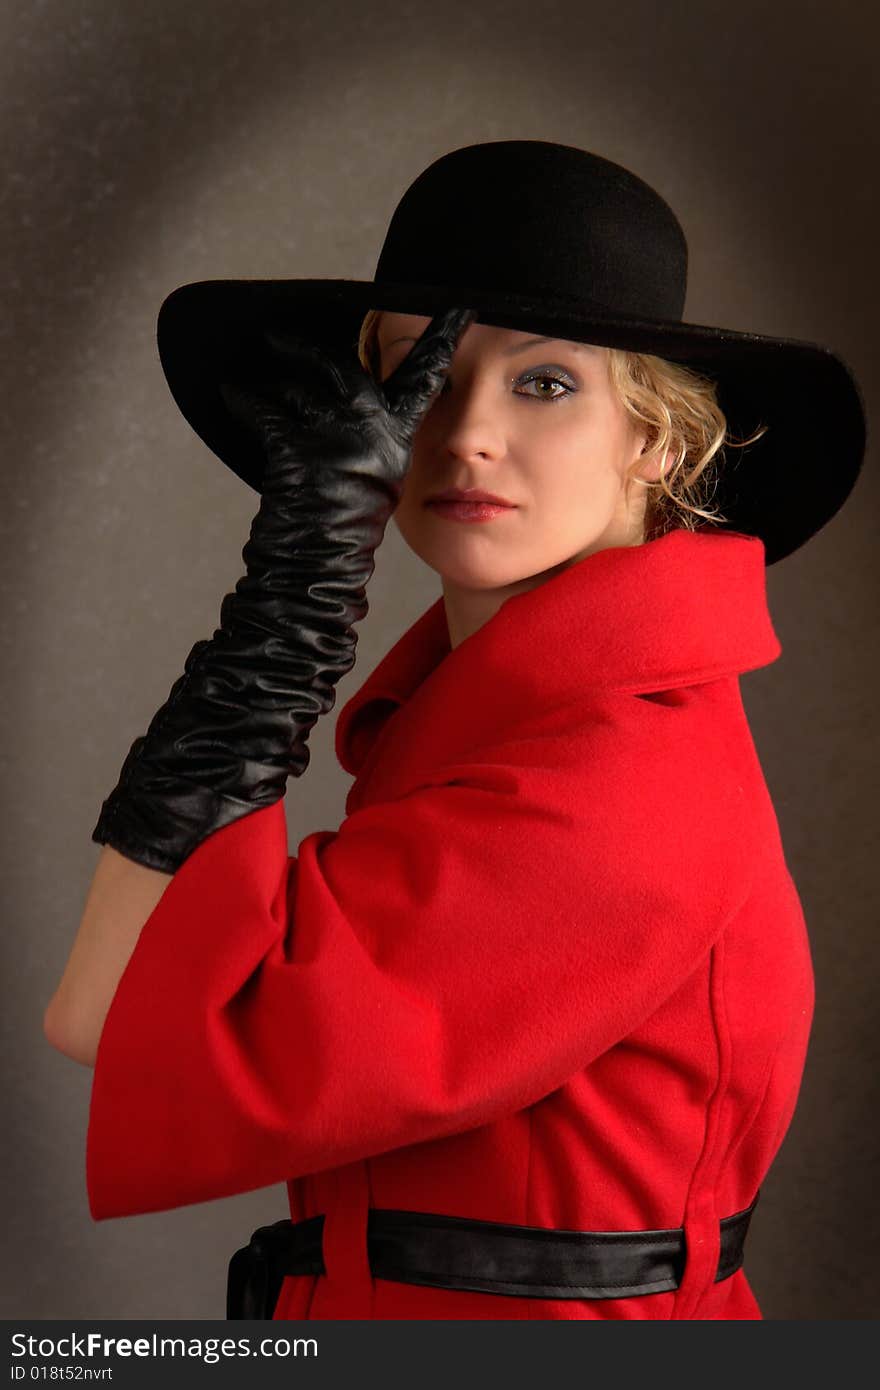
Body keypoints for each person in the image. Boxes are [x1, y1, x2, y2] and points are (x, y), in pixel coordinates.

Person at [44, 140, 865, 1321]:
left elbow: (116, 1012)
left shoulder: (620, 772)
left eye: (543, 383)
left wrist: (286, 615)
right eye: (420, 376)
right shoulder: (513, 718)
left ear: (657, 439)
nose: (465, 433)